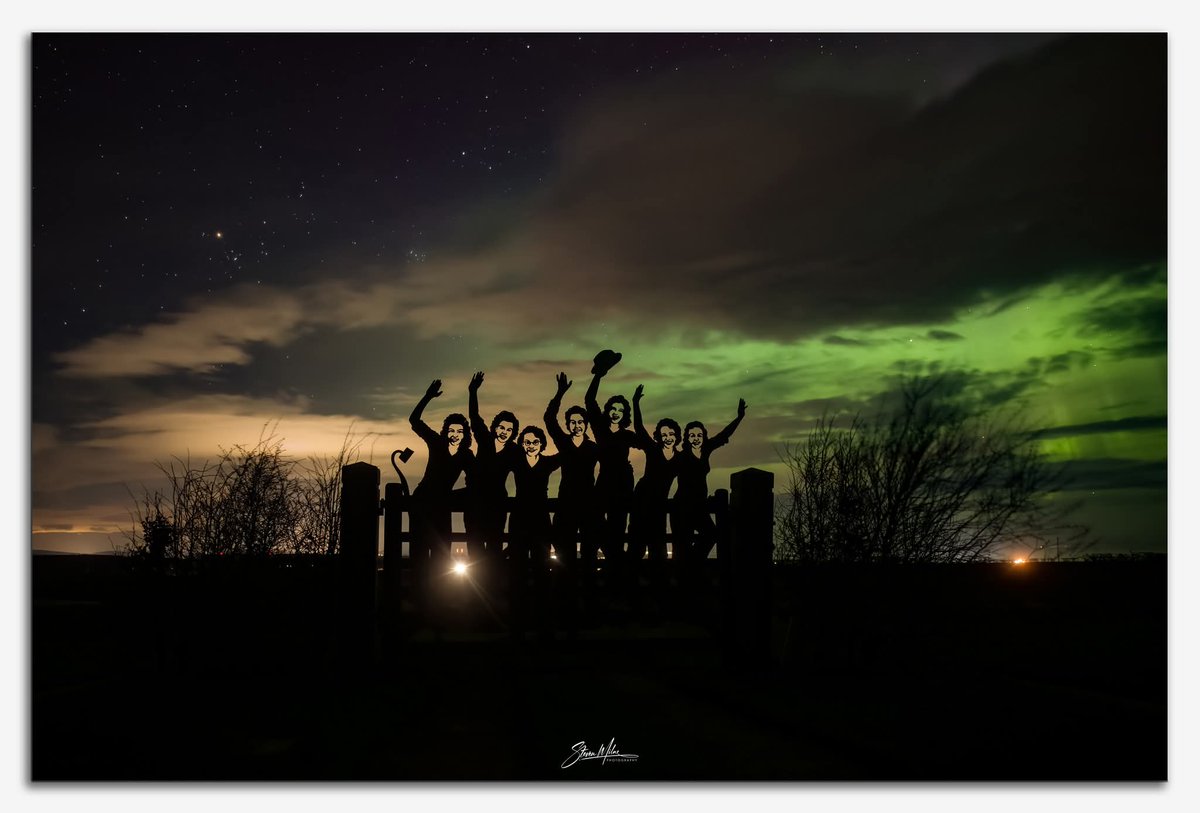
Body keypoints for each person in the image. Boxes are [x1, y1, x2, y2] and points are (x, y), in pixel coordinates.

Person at [408, 379, 474, 606]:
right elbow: (414, 421)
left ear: (465, 433)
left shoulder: (466, 455)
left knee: (441, 555)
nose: (455, 434)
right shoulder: (436, 443)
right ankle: (419, 603)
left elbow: (476, 481)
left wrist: (456, 495)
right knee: (418, 553)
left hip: (443, 506)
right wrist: (427, 397)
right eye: (452, 430)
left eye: (460, 431)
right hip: (423, 501)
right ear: (446, 431)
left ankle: (437, 604)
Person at [672, 399, 747, 562]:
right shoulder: (681, 456)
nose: (696, 438)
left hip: (700, 506)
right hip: (684, 506)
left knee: (711, 535)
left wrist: (739, 417)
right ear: (687, 438)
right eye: (692, 435)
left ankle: (694, 564)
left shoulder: (706, 450)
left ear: (703, 436)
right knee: (685, 543)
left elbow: (724, 435)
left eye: (699, 435)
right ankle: (691, 572)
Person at [506, 425, 562, 636]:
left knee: (541, 571)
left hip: (540, 522)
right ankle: (517, 621)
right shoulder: (517, 461)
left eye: (535, 442)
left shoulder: (547, 463)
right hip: (519, 521)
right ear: (522, 444)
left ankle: (542, 620)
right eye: (527, 442)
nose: (531, 445)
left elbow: (565, 452)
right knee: (517, 572)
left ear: (542, 444)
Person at [628, 385, 680, 610]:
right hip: (641, 503)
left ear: (677, 437)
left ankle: (659, 599)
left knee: (658, 553)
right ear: (658, 436)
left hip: (658, 508)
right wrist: (636, 403)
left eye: (671, 434)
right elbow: (639, 427)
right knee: (636, 549)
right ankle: (632, 597)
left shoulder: (680, 458)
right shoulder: (652, 448)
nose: (667, 437)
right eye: (663, 434)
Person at [584, 350, 637, 563]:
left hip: (623, 482)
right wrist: (599, 376)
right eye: (613, 409)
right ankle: (615, 560)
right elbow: (589, 400)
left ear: (625, 415)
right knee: (596, 523)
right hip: (605, 481)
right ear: (607, 411)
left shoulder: (627, 435)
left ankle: (616, 567)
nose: (616, 412)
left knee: (618, 527)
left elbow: (650, 446)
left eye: (621, 410)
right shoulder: (601, 429)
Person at [465, 371, 519, 564]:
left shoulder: (513, 450)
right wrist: (473, 391)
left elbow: (524, 472)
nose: (505, 432)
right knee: (475, 548)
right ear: (495, 427)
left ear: (513, 433)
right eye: (502, 428)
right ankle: (476, 590)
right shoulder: (485, 439)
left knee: (494, 548)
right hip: (475, 502)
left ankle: (492, 587)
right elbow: (474, 415)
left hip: (497, 504)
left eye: (509, 430)